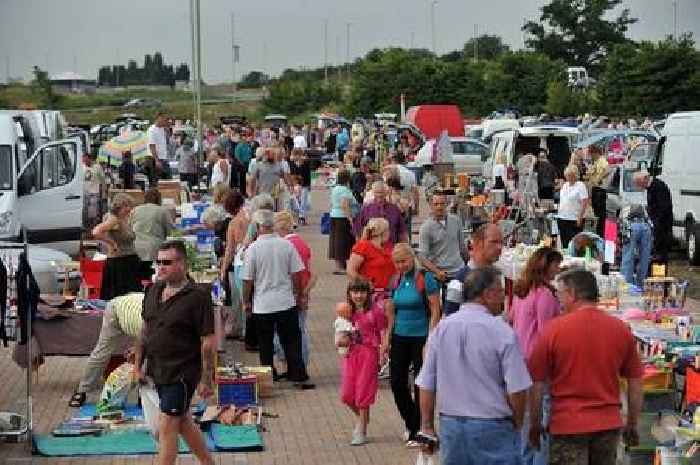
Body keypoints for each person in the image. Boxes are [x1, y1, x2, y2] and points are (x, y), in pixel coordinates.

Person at [416, 267, 532, 465]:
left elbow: (427, 382)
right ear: (487, 294)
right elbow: (517, 388)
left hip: (451, 424)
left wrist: (426, 425)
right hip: (492, 424)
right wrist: (518, 421)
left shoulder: (442, 328)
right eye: (501, 292)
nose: (504, 298)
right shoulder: (502, 332)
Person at [528, 269, 643, 465]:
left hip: (567, 425)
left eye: (560, 294)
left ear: (572, 294)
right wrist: (632, 423)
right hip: (607, 425)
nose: (558, 300)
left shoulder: (552, 331)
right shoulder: (620, 329)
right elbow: (635, 382)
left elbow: (536, 384)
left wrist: (535, 423)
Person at [134, 240, 215, 465]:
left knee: (167, 425)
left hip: (182, 372)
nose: (160, 267)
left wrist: (206, 379)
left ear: (182, 264)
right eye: (158, 262)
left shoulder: (197, 297)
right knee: (183, 421)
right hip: (157, 369)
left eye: (167, 263)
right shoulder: (152, 290)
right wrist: (137, 365)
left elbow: (207, 341)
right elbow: (144, 330)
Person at [240, 210, 315, 389]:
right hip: (285, 301)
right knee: (291, 340)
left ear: (258, 228)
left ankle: (268, 376)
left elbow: (247, 280)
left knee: (265, 343)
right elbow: (297, 273)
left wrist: (246, 301)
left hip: (263, 304)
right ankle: (297, 373)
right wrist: (297, 294)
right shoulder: (286, 245)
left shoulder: (253, 249)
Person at [381, 243, 441, 447]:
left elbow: (435, 309)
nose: (400, 266)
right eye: (396, 263)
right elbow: (391, 312)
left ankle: (422, 428)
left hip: (421, 336)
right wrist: (386, 339)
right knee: (397, 382)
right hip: (400, 335)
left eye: (403, 261)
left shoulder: (425, 278)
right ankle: (412, 423)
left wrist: (431, 338)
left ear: (411, 258)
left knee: (420, 383)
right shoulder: (396, 280)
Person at [512, 247, 563, 465]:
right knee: (541, 419)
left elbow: (513, 320)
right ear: (546, 266)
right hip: (538, 364)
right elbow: (546, 334)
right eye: (556, 265)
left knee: (524, 419)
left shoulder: (522, 291)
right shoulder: (545, 296)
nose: (558, 269)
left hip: (520, 360)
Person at [69, 293, 145, 407]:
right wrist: (137, 358)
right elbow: (142, 342)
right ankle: (81, 391)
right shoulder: (151, 319)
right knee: (102, 353)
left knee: (148, 357)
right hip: (116, 310)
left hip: (133, 314)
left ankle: (143, 397)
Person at [336, 278, 387, 446]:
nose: (358, 296)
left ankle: (362, 429)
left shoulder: (376, 311)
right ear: (349, 293)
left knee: (363, 391)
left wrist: (383, 352)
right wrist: (340, 340)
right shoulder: (347, 311)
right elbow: (340, 330)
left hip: (369, 353)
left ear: (368, 293)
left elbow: (383, 332)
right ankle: (362, 417)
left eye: (362, 292)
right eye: (355, 292)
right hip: (351, 354)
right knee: (347, 394)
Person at [274, 211, 316, 368]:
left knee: (282, 331)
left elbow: (291, 273)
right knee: (301, 329)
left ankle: (288, 362)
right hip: (303, 291)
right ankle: (301, 363)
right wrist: (305, 293)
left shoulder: (285, 245)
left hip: (290, 293)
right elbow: (312, 273)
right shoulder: (302, 243)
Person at [443, 223, 504, 315]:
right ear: (478, 243)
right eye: (494, 242)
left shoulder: (498, 277)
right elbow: (449, 320)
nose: (499, 247)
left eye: (501, 242)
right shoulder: (459, 281)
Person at [418, 193, 468, 302]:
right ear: (431, 205)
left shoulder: (456, 221)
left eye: (442, 204)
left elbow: (462, 247)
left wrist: (467, 264)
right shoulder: (426, 228)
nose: (439, 207)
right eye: (436, 204)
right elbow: (422, 257)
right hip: (440, 275)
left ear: (447, 204)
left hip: (458, 271)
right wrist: (437, 271)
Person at [93, 194, 142, 300]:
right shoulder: (114, 219)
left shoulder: (121, 219)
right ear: (119, 206)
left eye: (130, 206)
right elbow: (96, 232)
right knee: (124, 296)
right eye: (126, 206)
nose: (129, 209)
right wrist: (111, 243)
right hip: (121, 262)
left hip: (125, 260)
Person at [130, 189, 173, 281]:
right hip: (154, 248)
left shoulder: (135, 210)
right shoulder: (162, 211)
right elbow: (170, 231)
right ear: (159, 199)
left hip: (135, 248)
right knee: (152, 278)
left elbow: (129, 228)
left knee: (138, 278)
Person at [620, 174, 654, 287]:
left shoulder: (625, 194)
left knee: (628, 256)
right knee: (645, 257)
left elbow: (620, 215)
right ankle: (641, 284)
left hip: (631, 226)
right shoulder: (647, 192)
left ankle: (626, 284)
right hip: (645, 225)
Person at [347, 218, 397, 291]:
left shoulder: (389, 246)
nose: (389, 233)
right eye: (388, 230)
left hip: (389, 291)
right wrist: (365, 284)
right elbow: (350, 270)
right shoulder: (363, 246)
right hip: (370, 291)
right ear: (382, 232)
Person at [638, 171, 673, 264]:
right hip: (657, 225)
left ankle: (660, 274)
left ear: (646, 179)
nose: (639, 186)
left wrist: (655, 223)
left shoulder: (658, 186)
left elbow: (663, 208)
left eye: (639, 183)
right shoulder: (650, 187)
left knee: (660, 254)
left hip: (662, 226)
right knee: (656, 253)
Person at [329, 169, 357, 275]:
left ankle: (340, 265)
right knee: (342, 242)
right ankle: (340, 267)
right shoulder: (345, 190)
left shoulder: (335, 188)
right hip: (342, 217)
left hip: (334, 215)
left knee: (336, 241)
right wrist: (350, 219)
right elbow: (345, 205)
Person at [557, 165, 589, 249]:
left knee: (574, 244)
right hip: (562, 217)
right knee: (564, 243)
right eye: (567, 175)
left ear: (575, 175)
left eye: (570, 175)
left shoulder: (580, 185)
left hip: (574, 218)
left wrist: (580, 217)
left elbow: (584, 202)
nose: (568, 178)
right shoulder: (565, 185)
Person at [585, 144, 609, 237]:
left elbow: (607, 170)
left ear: (595, 153)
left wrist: (599, 179)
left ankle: (601, 234)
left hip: (599, 189)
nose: (591, 156)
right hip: (595, 190)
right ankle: (599, 232)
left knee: (600, 215)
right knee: (597, 214)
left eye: (591, 154)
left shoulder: (602, 160)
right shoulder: (596, 161)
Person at [288, 148, 312, 225]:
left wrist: (308, 185)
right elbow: (290, 174)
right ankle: (299, 215)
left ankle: (302, 217)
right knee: (297, 201)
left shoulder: (306, 163)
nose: (296, 157)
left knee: (304, 201)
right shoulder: (291, 163)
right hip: (295, 184)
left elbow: (308, 175)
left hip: (304, 184)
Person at [148, 112, 171, 180]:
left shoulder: (162, 129)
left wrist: (167, 130)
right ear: (159, 118)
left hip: (163, 158)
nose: (165, 121)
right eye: (164, 119)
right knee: (158, 180)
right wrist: (156, 160)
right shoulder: (152, 130)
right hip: (156, 159)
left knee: (167, 180)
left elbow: (167, 141)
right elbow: (152, 146)